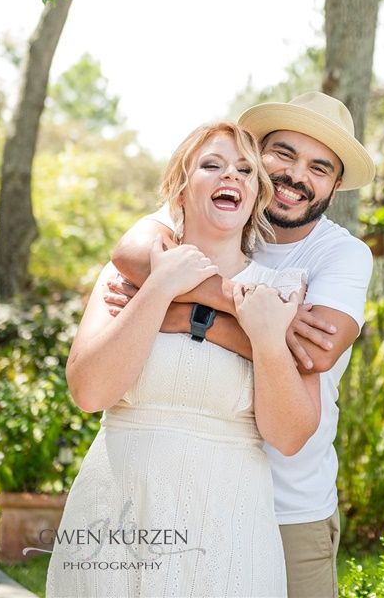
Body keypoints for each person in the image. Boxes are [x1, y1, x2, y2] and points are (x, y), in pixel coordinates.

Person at [107, 92, 375, 598]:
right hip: (186, 495)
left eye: (319, 167)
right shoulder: (208, 214)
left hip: (288, 503)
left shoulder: (341, 255)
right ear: (256, 156)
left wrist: (183, 312)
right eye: (283, 155)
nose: (297, 176)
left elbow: (311, 356)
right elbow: (131, 254)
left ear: (335, 185)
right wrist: (247, 309)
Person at [46, 121, 320, 598]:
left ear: (256, 196)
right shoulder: (127, 277)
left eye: (244, 170)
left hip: (230, 524)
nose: (229, 177)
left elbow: (291, 436)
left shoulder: (284, 295)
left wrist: (268, 339)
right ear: (180, 188)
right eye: (211, 165)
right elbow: (89, 393)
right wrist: (160, 287)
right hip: (115, 511)